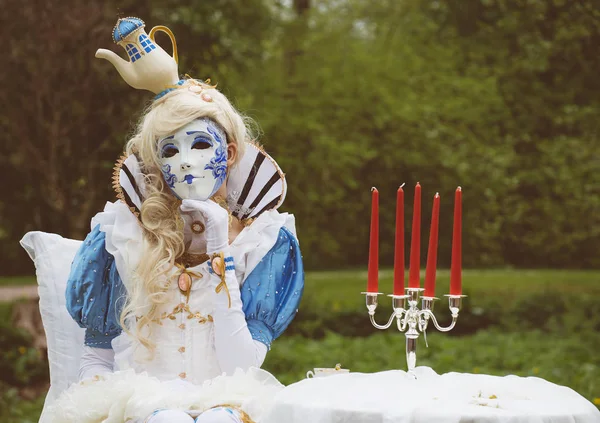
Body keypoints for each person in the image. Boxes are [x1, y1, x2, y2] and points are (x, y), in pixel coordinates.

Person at [50, 17, 304, 423]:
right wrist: (112, 406)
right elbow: (96, 355)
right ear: (156, 164)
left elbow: (243, 366)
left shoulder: (264, 241)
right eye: (168, 151)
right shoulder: (122, 235)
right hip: (140, 407)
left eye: (201, 144)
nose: (185, 161)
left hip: (226, 404)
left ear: (232, 153)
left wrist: (221, 247)